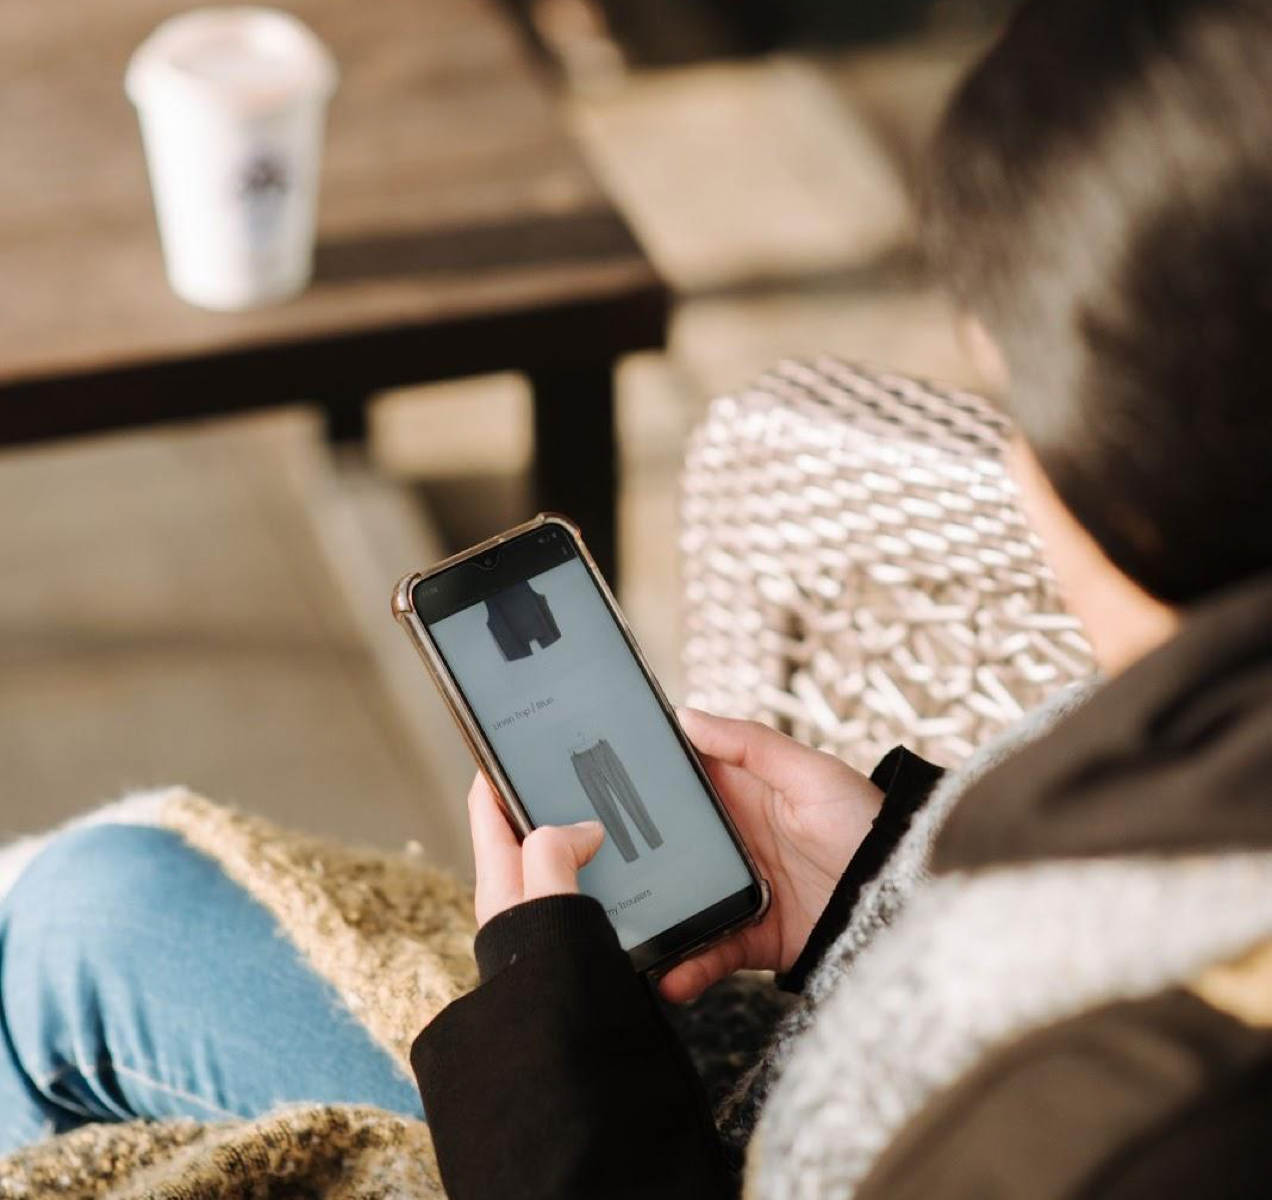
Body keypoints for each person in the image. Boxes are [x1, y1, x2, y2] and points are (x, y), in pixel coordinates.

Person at [3, 0, 1272, 1192]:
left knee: (63, 958)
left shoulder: (1154, 1110)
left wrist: (543, 1042)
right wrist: (871, 889)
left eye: (1018, 412)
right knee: (89, 908)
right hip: (728, 1076)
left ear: (1149, 461)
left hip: (630, 1144)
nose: (1015, 465)